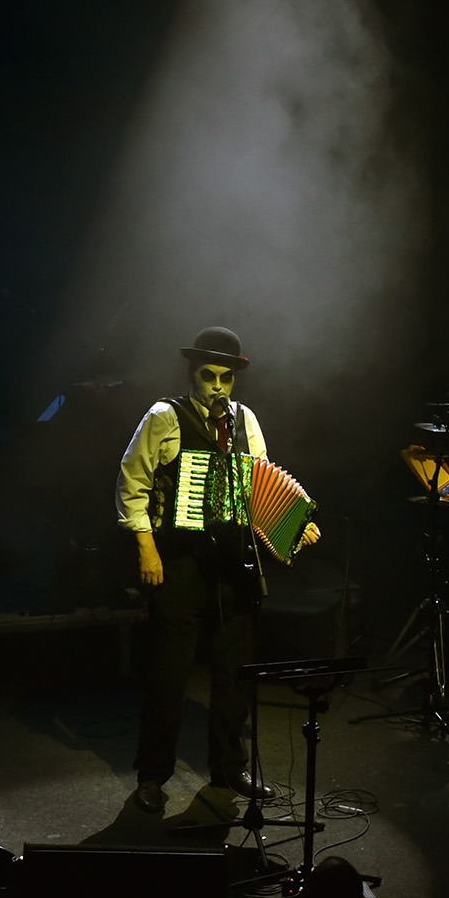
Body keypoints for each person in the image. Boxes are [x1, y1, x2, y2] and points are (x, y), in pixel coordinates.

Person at [116, 326, 316, 813]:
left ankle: (230, 767)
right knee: (169, 673)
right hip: (179, 560)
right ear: (192, 373)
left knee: (234, 673)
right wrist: (147, 549)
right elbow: (131, 483)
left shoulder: (246, 421)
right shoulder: (164, 416)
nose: (218, 386)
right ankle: (152, 775)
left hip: (233, 563)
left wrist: (294, 526)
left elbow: (260, 484)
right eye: (209, 376)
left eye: (227, 378)